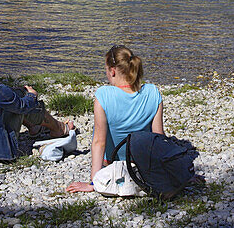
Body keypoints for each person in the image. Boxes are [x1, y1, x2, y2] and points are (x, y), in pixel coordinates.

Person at [66, 45, 163, 193]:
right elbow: (159, 138)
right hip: (143, 163)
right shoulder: (152, 92)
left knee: (100, 134)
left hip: (112, 163)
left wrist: (93, 182)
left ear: (112, 71)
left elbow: (99, 142)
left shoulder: (103, 95)